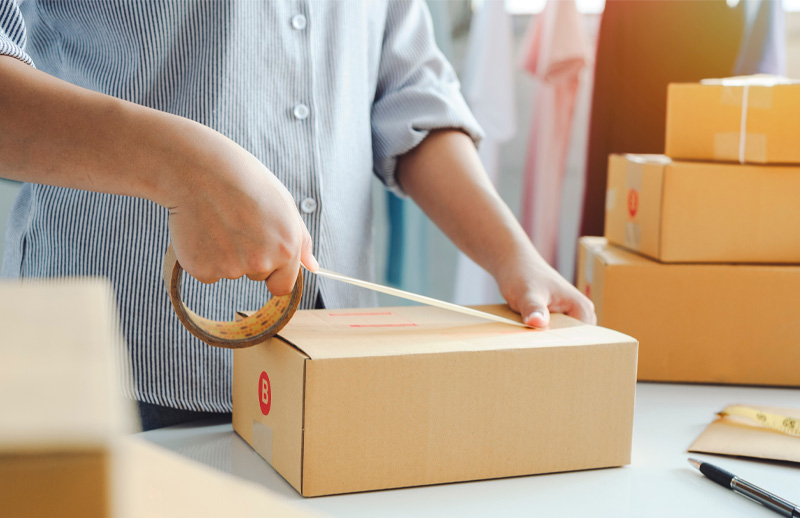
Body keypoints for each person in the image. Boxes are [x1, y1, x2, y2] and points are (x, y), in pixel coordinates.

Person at [0, 0, 595, 430]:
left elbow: (409, 92)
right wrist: (182, 164)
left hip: (330, 374)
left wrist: (513, 255)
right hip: (124, 365)